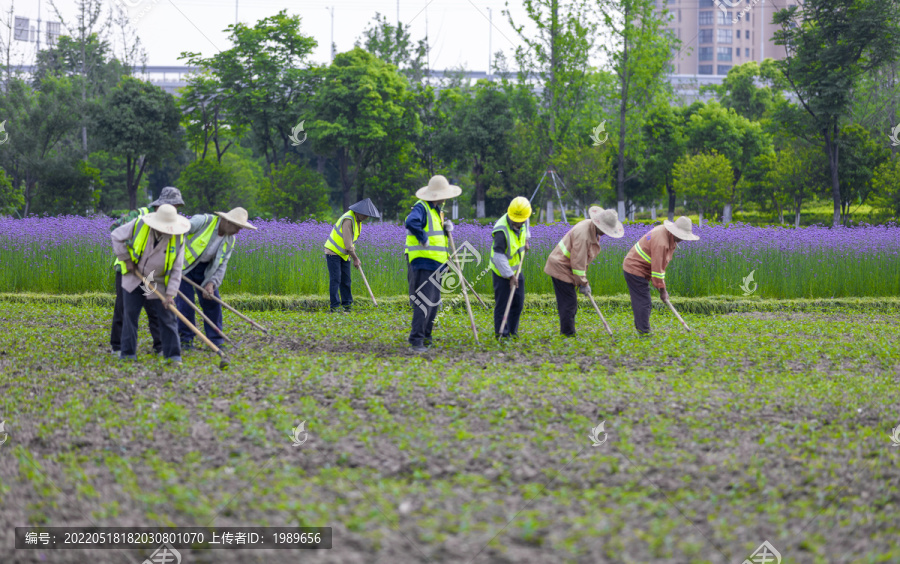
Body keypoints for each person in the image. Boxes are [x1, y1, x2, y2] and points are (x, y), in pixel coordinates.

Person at [109, 187, 185, 355]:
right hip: (130, 271)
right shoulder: (139, 218)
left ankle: (164, 349)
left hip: (154, 277)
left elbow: (176, 269)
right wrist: (126, 258)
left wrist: (170, 294)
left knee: (159, 311)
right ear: (159, 206)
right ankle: (120, 348)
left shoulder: (177, 233)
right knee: (127, 311)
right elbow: (115, 232)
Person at [175, 207, 257, 350]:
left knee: (212, 301)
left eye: (240, 228)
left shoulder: (230, 240)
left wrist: (212, 283)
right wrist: (173, 262)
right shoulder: (202, 221)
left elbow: (221, 265)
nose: (238, 231)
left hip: (205, 270)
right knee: (185, 303)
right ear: (226, 221)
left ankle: (215, 340)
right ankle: (185, 340)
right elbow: (176, 234)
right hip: (182, 267)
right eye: (237, 227)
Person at [543, 206, 624, 336]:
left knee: (569, 303)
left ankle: (568, 332)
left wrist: (582, 281)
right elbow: (578, 263)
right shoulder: (584, 235)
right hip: (561, 267)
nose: (606, 233)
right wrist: (583, 283)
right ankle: (568, 335)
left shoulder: (592, 229)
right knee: (569, 304)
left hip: (567, 267)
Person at [404, 175, 461, 352]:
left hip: (437, 263)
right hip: (424, 261)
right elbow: (411, 222)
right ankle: (416, 340)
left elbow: (435, 233)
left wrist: (445, 230)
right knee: (424, 301)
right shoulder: (421, 207)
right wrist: (423, 239)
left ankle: (426, 336)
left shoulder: (435, 210)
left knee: (434, 302)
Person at [622, 216, 699, 334]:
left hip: (642, 269)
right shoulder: (662, 242)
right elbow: (657, 271)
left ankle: (642, 329)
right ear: (675, 232)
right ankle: (644, 332)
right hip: (635, 268)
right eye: (682, 236)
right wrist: (663, 291)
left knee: (642, 300)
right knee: (644, 301)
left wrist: (661, 287)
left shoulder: (668, 235)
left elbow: (660, 267)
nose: (683, 240)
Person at [323, 198, 381, 313]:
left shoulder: (358, 221)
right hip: (333, 251)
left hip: (344, 254)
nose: (366, 218)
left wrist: (351, 255)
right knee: (336, 279)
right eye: (365, 215)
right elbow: (348, 244)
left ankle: (347, 305)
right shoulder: (348, 220)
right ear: (358, 212)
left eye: (368, 216)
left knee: (346, 280)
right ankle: (334, 307)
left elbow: (351, 243)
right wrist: (355, 258)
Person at [490, 197, 532, 338]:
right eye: (516, 220)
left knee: (518, 302)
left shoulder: (524, 219)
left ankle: (513, 332)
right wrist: (510, 276)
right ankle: (502, 334)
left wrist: (526, 240)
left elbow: (527, 226)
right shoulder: (501, 230)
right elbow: (498, 256)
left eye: (521, 220)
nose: (519, 223)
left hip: (516, 268)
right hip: (501, 271)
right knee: (503, 304)